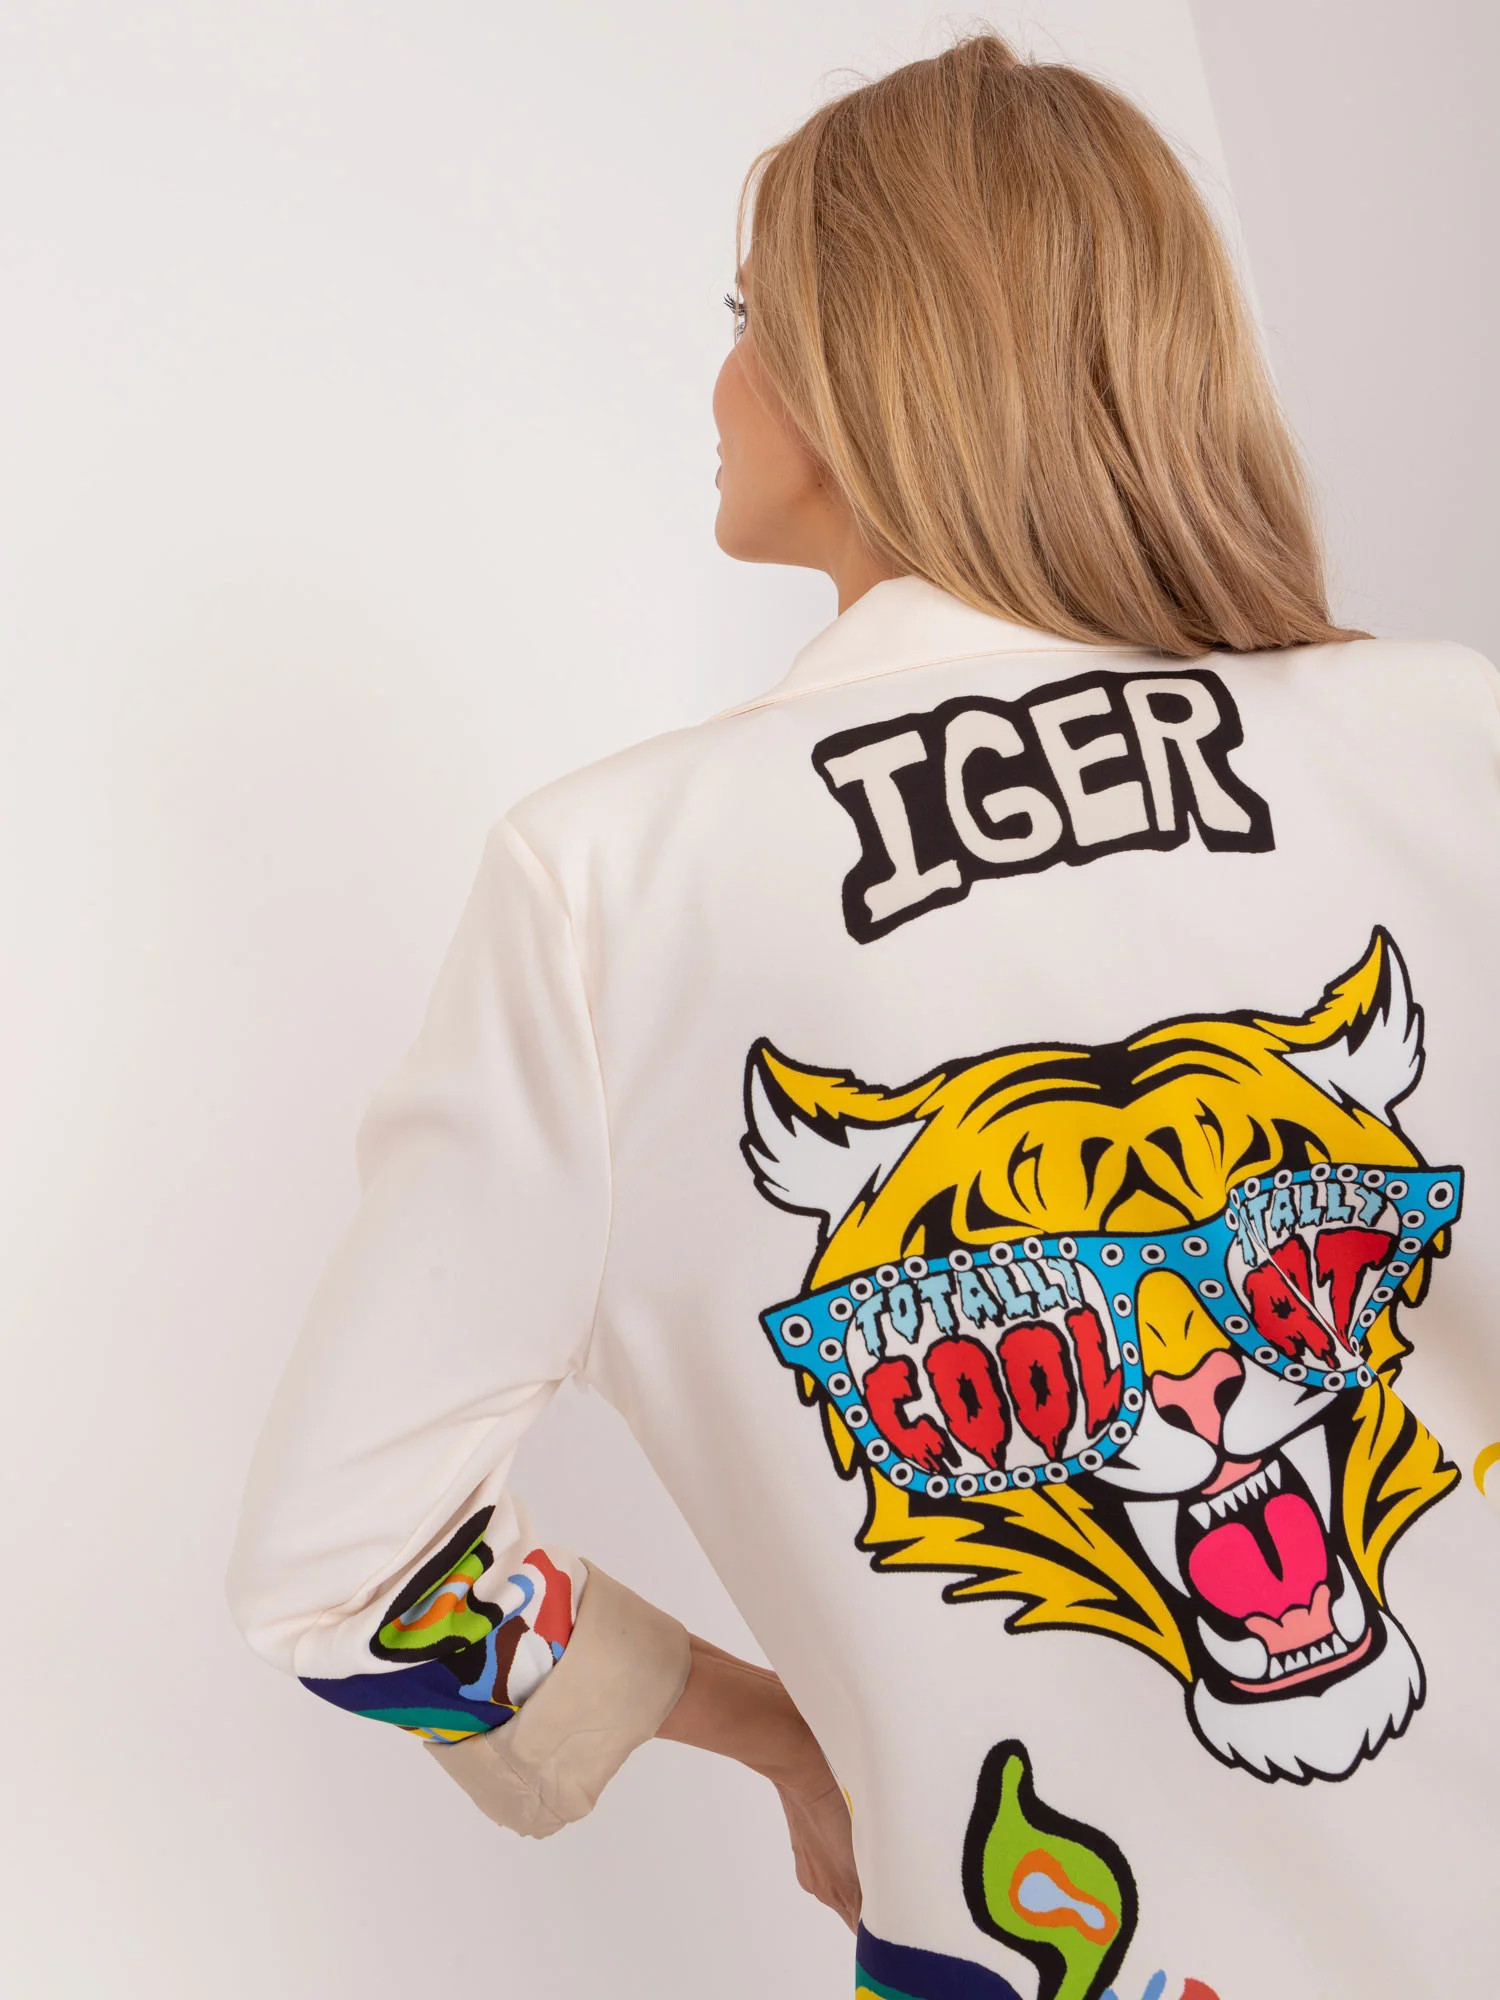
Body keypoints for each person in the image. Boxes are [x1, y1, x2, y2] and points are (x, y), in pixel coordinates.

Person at [228, 32, 1500, 2000]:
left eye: (751, 319)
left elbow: (337, 1554)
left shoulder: (614, 882)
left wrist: (771, 1732)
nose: (721, 381)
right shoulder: (1452, 743)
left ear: (865, 363)